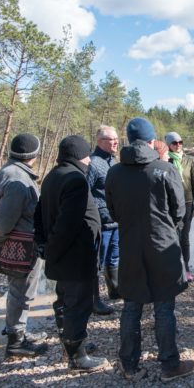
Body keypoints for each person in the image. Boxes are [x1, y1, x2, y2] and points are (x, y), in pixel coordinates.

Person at [105, 117, 194, 382]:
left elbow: (113, 211)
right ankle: (169, 365)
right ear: (151, 140)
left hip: (131, 246)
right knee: (164, 306)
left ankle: (129, 365)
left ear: (128, 140)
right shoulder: (164, 169)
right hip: (163, 246)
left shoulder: (114, 172)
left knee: (131, 306)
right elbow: (179, 211)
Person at [34, 135, 108, 373]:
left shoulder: (52, 176)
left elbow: (39, 214)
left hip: (63, 255)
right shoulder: (75, 178)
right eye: (87, 156)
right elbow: (67, 224)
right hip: (74, 256)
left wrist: (44, 245)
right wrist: (52, 249)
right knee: (77, 305)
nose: (89, 161)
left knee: (65, 301)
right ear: (79, 156)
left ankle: (72, 345)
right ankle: (76, 358)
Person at [0, 133, 48, 359]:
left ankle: (17, 330)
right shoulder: (18, 179)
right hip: (24, 245)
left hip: (18, 242)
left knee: (19, 290)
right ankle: (16, 341)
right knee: (22, 292)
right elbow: (6, 217)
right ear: (34, 156)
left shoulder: (7, 171)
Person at [86, 125, 119, 316]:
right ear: (100, 142)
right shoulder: (93, 162)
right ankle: (94, 300)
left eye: (116, 139)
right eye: (111, 139)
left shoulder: (113, 162)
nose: (115, 142)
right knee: (97, 262)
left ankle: (115, 290)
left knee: (114, 258)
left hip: (116, 221)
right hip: (100, 224)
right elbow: (85, 192)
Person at [165, 131, 194, 281]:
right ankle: (173, 268)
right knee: (172, 236)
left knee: (184, 237)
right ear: (168, 145)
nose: (178, 145)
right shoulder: (165, 161)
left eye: (180, 142)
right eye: (174, 143)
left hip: (187, 203)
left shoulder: (189, 161)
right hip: (170, 205)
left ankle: (186, 268)